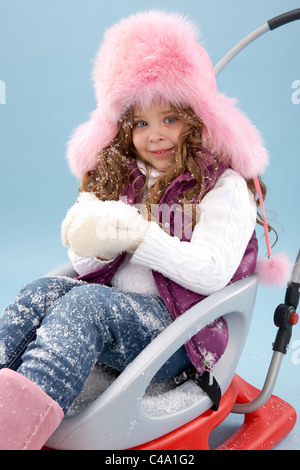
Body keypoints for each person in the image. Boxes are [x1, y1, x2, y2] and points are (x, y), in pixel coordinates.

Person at [0, 10, 287, 450]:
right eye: (141, 123)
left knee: (88, 307)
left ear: (196, 119)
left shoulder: (223, 187)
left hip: (181, 334)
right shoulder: (123, 176)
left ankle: (13, 433)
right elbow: (84, 263)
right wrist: (93, 235)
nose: (155, 136)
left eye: (170, 119)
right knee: (40, 292)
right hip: (118, 319)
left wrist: (137, 235)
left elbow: (211, 272)